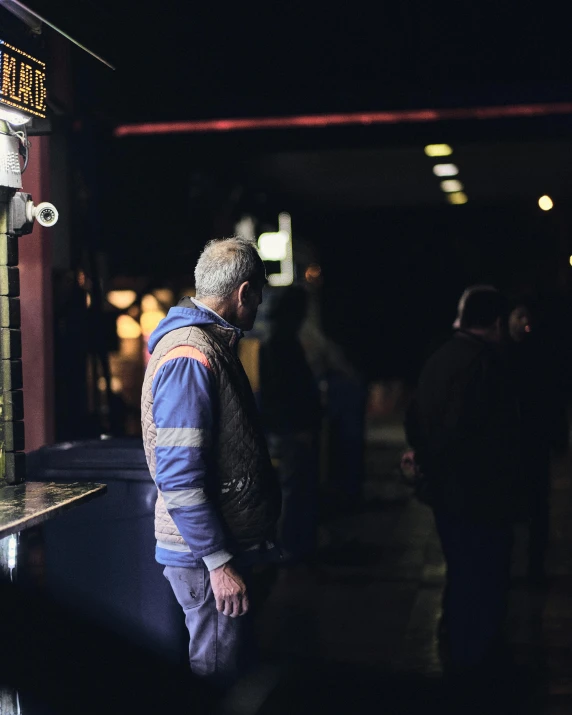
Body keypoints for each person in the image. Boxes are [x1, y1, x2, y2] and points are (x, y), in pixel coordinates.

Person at [141, 237, 281, 690]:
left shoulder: (209, 345)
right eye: (259, 292)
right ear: (243, 292)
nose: (259, 303)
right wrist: (219, 564)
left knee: (231, 668)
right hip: (205, 556)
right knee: (216, 673)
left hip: (215, 547)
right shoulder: (190, 355)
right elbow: (179, 479)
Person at [405, 289, 521, 674]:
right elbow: (487, 435)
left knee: (461, 573)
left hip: (445, 492)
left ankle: (455, 648)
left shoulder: (440, 357)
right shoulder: (486, 364)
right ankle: (476, 665)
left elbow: (416, 419)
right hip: (479, 492)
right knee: (483, 578)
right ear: (496, 322)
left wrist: (421, 459)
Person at [258, 285, 322, 565]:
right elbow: (290, 391)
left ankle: (292, 545)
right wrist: (301, 425)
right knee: (294, 489)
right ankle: (290, 547)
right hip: (292, 429)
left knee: (293, 488)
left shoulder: (276, 340)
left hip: (287, 427)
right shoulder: (283, 343)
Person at [508, 296, 569, 584]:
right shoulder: (500, 355)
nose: (524, 323)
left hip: (533, 441)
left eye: (527, 317)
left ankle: (534, 566)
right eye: (518, 317)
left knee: (537, 506)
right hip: (509, 443)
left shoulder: (542, 353)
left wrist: (557, 438)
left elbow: (554, 398)